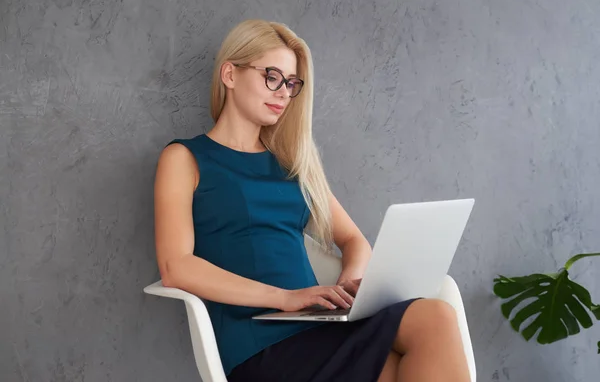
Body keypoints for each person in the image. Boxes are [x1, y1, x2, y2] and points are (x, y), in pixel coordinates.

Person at [153, 19, 470, 382]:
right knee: (397, 370)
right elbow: (176, 266)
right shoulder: (184, 158)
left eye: (291, 84)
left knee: (436, 317)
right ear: (229, 74)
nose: (283, 93)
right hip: (258, 344)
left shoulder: (292, 166)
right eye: (272, 76)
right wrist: (286, 298)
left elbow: (353, 241)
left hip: (321, 328)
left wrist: (350, 287)